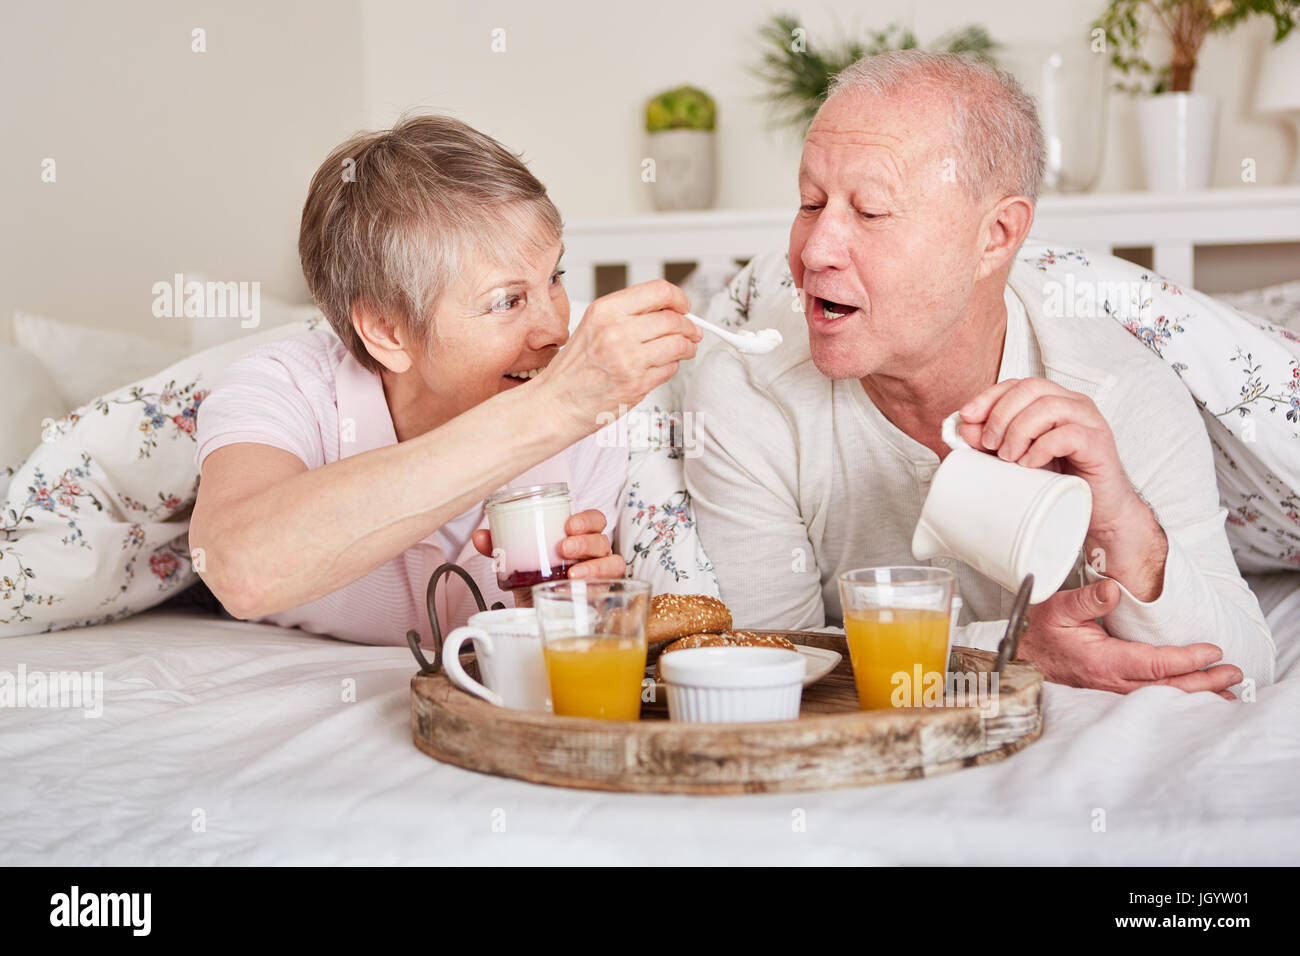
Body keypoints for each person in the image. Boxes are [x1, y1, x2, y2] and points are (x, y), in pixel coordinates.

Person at [684, 50, 1275, 694]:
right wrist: (1011, 651)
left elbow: (1240, 668)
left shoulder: (1117, 389)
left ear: (995, 235)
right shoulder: (748, 389)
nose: (815, 251)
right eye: (810, 203)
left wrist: (1117, 515)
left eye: (871, 211)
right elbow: (765, 668)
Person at [189, 115, 700, 646]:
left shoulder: (599, 420)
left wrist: (559, 608)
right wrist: (553, 409)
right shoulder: (286, 386)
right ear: (387, 330)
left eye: (555, 278)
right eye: (507, 301)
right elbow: (239, 570)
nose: (556, 331)